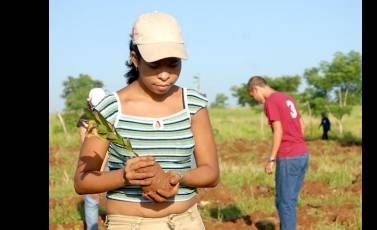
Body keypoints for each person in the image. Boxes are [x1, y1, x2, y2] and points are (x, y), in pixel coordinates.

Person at [74, 11, 219, 230]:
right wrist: (125, 176)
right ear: (135, 59)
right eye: (154, 66)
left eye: (173, 64)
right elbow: (82, 180)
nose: (164, 75)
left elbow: (211, 173)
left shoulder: (193, 105)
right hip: (131, 224)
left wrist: (177, 176)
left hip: (186, 222)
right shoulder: (108, 109)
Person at [247, 76, 309, 230]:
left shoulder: (271, 102)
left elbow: (278, 130)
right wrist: (297, 143)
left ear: (256, 88)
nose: (256, 100)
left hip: (288, 156)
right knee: (290, 201)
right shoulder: (287, 98)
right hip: (302, 154)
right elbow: (302, 125)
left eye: (253, 96)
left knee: (284, 202)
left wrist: (271, 159)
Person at [77, 88, 107, 230]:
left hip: (102, 163)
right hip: (94, 164)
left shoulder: (88, 119)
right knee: (93, 198)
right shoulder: (86, 120)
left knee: (97, 199)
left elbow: (85, 145)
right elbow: (86, 146)